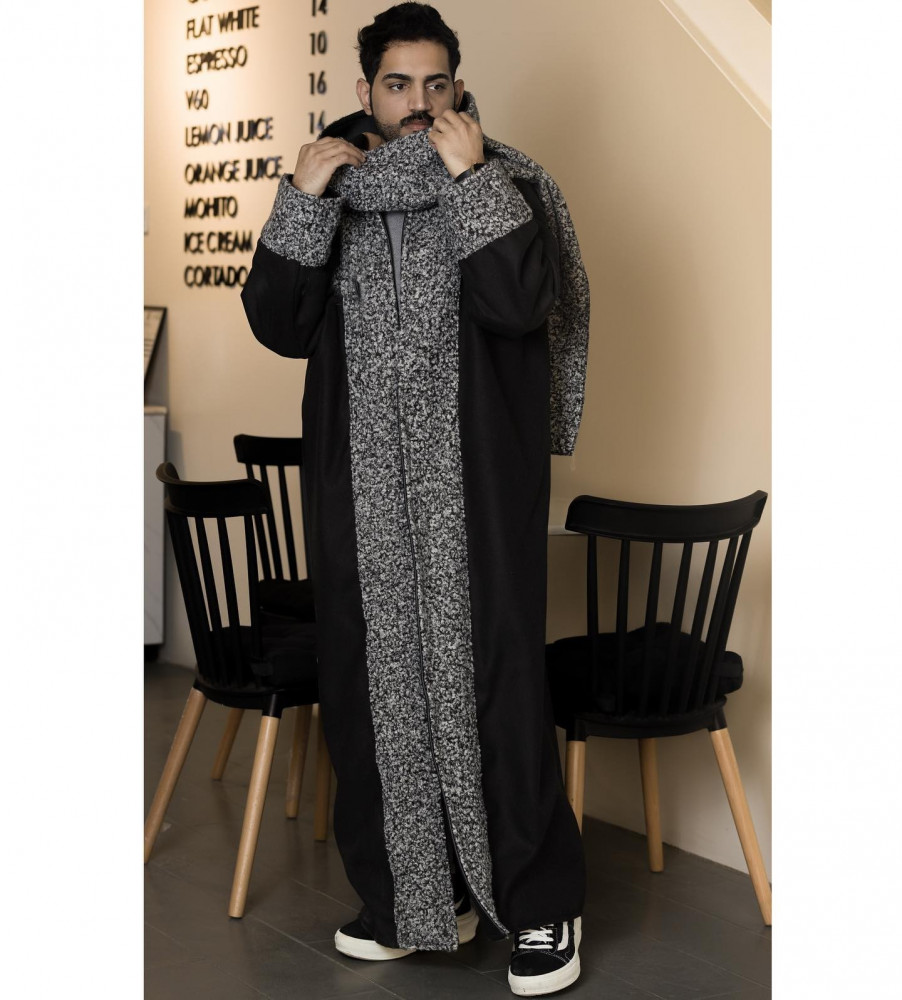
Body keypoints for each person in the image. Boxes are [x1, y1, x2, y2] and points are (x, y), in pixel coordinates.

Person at [241, 4, 590, 995]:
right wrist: (299, 199)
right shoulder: (328, 193)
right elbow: (277, 324)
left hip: (476, 485)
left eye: (436, 83)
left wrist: (472, 182)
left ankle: (539, 904)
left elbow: (522, 307)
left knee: (497, 684)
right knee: (371, 690)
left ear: (458, 86)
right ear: (365, 91)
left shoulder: (507, 180)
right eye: (398, 84)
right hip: (361, 490)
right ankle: (409, 899)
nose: (418, 103)